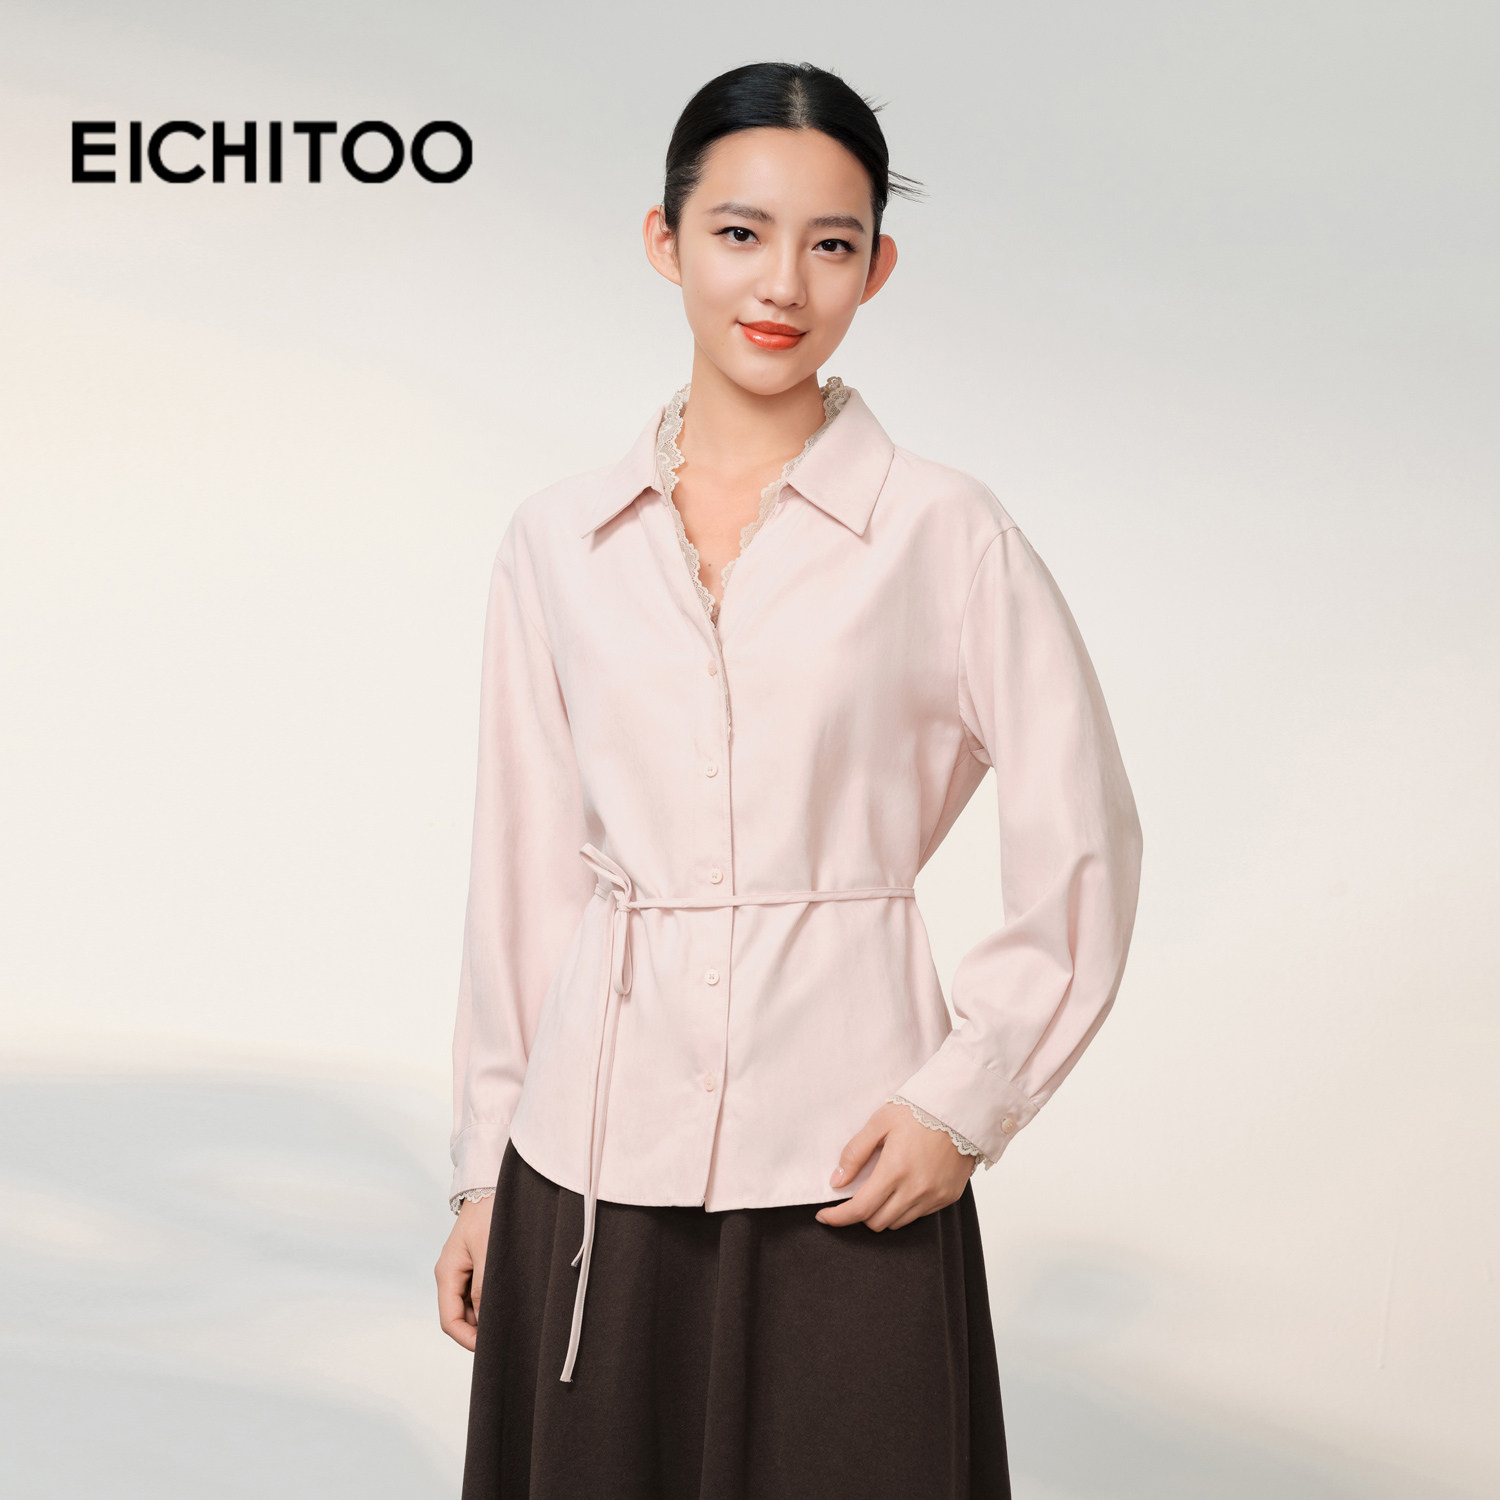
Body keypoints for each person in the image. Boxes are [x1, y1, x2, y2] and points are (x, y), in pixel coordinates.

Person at [434, 60, 1143, 1500]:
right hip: (590, 1171)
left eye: (831, 244)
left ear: (878, 269)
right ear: (666, 240)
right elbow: (523, 874)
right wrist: (483, 1172)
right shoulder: (556, 541)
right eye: (740, 233)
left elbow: (1085, 835)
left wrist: (965, 1100)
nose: (782, 284)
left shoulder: (944, 531)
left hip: (848, 1164)